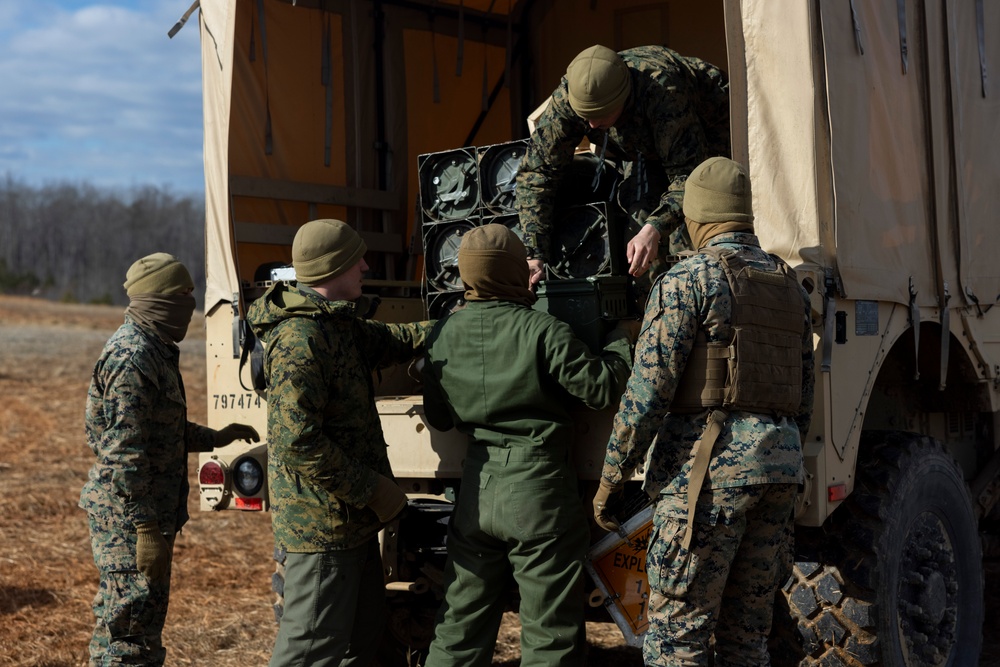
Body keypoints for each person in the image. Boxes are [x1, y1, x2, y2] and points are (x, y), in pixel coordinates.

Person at [593, 157, 815, 666]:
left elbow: (647, 392)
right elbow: (801, 397)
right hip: (780, 475)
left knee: (677, 639)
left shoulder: (688, 278)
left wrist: (611, 477)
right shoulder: (787, 284)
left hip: (709, 483)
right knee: (747, 638)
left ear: (697, 217)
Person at [421, 223, 637, 667]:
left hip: (476, 494)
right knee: (548, 636)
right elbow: (600, 389)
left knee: (459, 627)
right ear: (516, 272)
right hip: (538, 493)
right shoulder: (543, 330)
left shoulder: (444, 333)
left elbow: (440, 415)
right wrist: (619, 339)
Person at [246, 218, 431, 666]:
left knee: (362, 644)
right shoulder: (301, 340)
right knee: (310, 653)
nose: (366, 266)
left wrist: (469, 320)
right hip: (322, 530)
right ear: (333, 268)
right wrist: (375, 491)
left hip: (350, 525)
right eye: (356, 260)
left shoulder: (336, 324)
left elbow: (397, 339)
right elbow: (297, 443)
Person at [80, 252, 260, 666]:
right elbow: (124, 454)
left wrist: (215, 437)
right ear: (157, 299)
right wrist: (144, 528)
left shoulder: (153, 347)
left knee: (132, 632)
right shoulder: (133, 356)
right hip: (130, 521)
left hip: (146, 514)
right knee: (129, 638)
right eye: (182, 295)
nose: (190, 305)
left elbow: (155, 430)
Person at [515, 44, 730, 287]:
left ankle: (698, 295)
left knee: (687, 232)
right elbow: (537, 174)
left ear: (623, 98)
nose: (593, 125)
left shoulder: (663, 92)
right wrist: (534, 254)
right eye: (586, 117)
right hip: (642, 148)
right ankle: (649, 303)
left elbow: (690, 177)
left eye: (601, 115)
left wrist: (654, 229)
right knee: (636, 214)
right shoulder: (568, 98)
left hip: (709, 128)